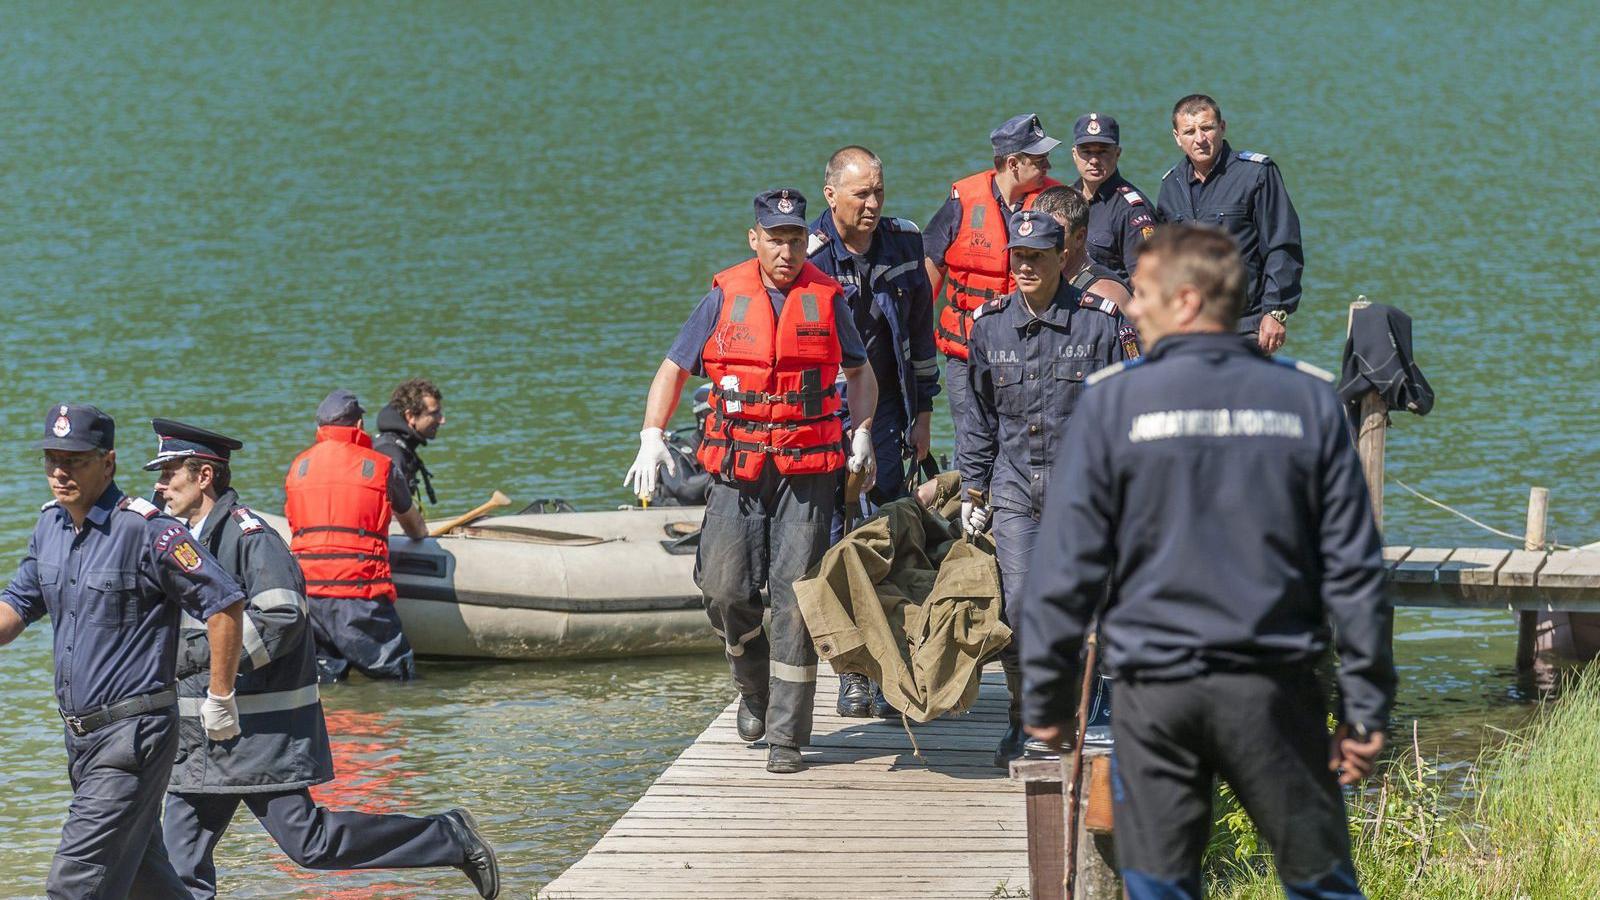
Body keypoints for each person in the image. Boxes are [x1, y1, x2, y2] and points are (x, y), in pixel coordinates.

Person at [1020, 225, 1394, 898]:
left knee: (1162, 890)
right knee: (1323, 886)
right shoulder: (1307, 399)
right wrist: (1366, 708)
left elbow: (1064, 568)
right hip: (1273, 691)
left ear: (1186, 300)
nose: (1132, 307)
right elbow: (1356, 571)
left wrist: (1045, 695)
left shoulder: (1112, 402)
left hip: (1154, 697)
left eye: (1143, 293)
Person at [147, 419, 499, 900]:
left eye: (169, 473)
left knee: (310, 845)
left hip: (258, 740)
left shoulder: (251, 539)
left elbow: (283, 619)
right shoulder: (186, 539)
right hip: (201, 743)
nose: (159, 486)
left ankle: (448, 836)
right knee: (179, 868)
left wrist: (195, 661)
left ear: (204, 476)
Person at [624, 189, 879, 774]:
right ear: (754, 240)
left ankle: (788, 736)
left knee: (795, 597)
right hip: (738, 468)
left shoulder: (827, 297)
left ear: (804, 241)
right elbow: (672, 368)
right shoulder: (722, 298)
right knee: (724, 590)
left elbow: (861, 372)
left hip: (808, 471)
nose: (785, 250)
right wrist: (650, 435)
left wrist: (861, 429)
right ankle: (753, 687)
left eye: (794, 239)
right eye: (774, 239)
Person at [0, 404, 246, 899]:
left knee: (73, 885)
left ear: (107, 463)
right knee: (145, 880)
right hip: (81, 740)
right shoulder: (50, 527)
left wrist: (221, 698)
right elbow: (15, 608)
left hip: (134, 736)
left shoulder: (148, 530)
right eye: (51, 458)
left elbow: (224, 604)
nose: (59, 471)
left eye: (74, 460)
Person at [957, 210, 1138, 768]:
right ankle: (1029, 718)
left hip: (1084, 487)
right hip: (1015, 486)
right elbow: (977, 414)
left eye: (1037, 257)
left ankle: (1096, 714)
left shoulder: (1102, 323)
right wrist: (972, 489)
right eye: (1018, 257)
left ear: (1063, 258)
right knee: (1021, 605)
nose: (1026, 267)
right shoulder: (989, 326)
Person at [806, 145, 939, 718]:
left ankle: (893, 662)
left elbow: (920, 332)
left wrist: (925, 415)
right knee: (836, 537)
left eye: (879, 191)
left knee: (888, 533)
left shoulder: (905, 242)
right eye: (861, 193)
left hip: (888, 411)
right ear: (831, 194)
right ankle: (852, 671)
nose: (873, 203)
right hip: (823, 417)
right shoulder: (806, 255)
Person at [924, 113, 1063, 436]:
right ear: (1013, 163)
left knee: (1026, 438)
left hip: (1031, 349)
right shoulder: (963, 201)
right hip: (967, 351)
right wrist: (914, 338)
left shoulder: (1054, 202)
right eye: (1040, 160)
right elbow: (930, 268)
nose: (1048, 168)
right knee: (971, 439)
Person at [285, 389, 429, 683]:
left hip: (308, 594)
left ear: (319, 429)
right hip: (359, 595)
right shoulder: (379, 466)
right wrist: (421, 531)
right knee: (398, 681)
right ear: (360, 426)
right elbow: (414, 525)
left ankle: (337, 729)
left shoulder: (298, 467)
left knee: (327, 683)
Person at [1156, 94, 1303, 354]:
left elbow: (1281, 246)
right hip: (1189, 326)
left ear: (1222, 127)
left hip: (1246, 324)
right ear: (1177, 138)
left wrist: (1275, 311)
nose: (1200, 139)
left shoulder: (1256, 174)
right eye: (1189, 131)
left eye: (1207, 128)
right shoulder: (1170, 186)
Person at [1067, 113, 1156, 281]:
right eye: (1086, 152)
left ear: (1117, 153)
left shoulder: (1132, 210)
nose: (1094, 160)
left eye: (1102, 152)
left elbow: (1146, 280)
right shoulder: (1066, 200)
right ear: (1074, 154)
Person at [373, 378, 445, 517]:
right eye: (434, 413)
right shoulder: (391, 454)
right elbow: (392, 515)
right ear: (410, 416)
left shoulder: (396, 447)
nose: (442, 420)